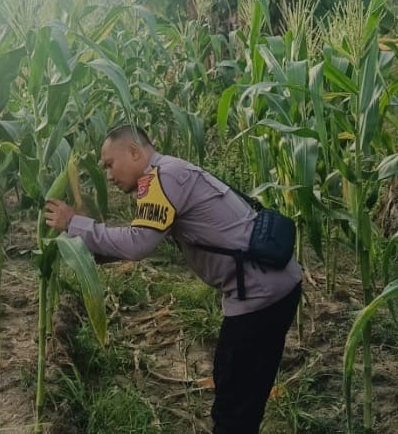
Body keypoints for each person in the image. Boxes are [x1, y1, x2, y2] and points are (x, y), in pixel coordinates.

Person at [45, 125, 302, 434]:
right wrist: (89, 247)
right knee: (242, 389)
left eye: (110, 164)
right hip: (273, 284)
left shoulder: (160, 178)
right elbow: (150, 238)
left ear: (134, 152)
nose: (109, 176)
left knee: (235, 400)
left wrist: (74, 223)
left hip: (260, 295)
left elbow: (138, 243)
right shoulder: (171, 170)